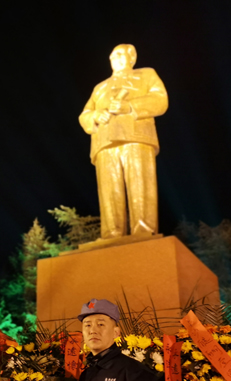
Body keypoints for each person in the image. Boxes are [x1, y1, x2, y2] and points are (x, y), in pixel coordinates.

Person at [79, 44, 168, 239]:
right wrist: (95, 116)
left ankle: (143, 230)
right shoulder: (100, 87)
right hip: (104, 142)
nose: (115, 58)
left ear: (132, 58)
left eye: (120, 54)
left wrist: (129, 106)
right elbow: (84, 114)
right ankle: (111, 233)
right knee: (109, 191)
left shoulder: (146, 75)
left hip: (136, 137)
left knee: (140, 185)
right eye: (112, 55)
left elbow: (160, 100)